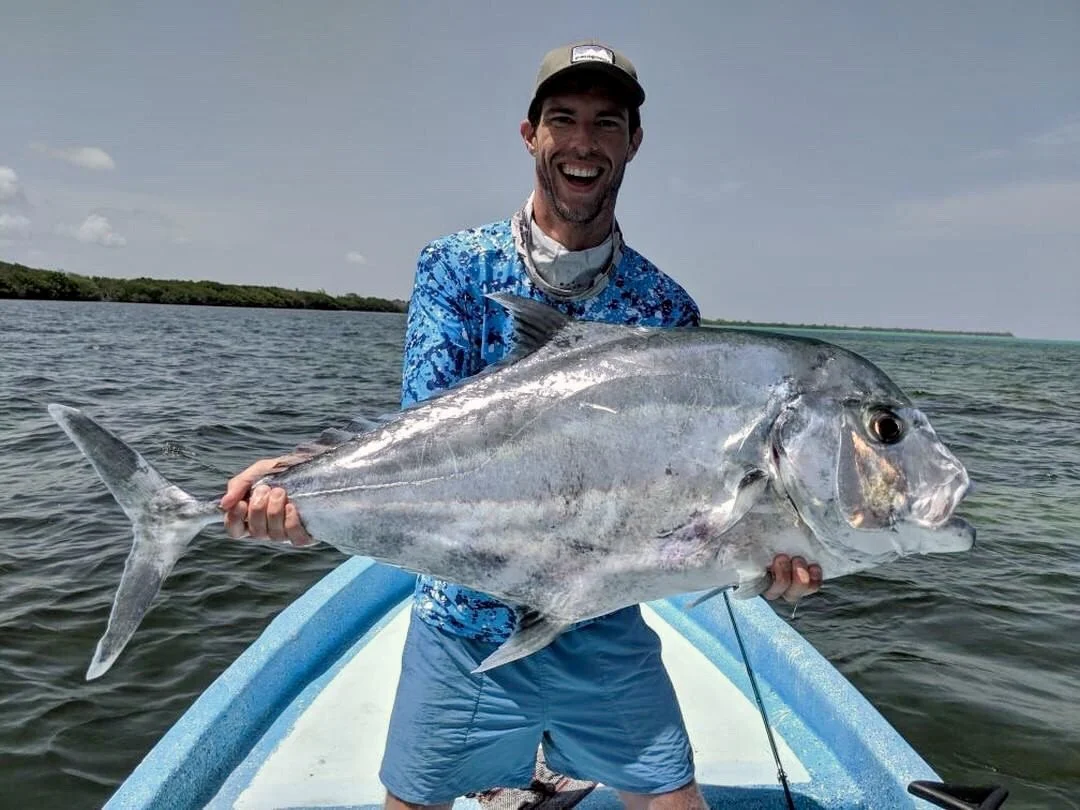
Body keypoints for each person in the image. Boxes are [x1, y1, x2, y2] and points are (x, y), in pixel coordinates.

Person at [221, 40, 822, 810]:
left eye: (607, 123)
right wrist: (303, 480)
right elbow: (424, 436)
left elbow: (680, 504)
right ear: (530, 133)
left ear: (634, 142)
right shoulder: (455, 267)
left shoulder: (666, 311)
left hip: (600, 621)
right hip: (462, 615)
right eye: (563, 119)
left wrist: (762, 558)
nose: (583, 143)